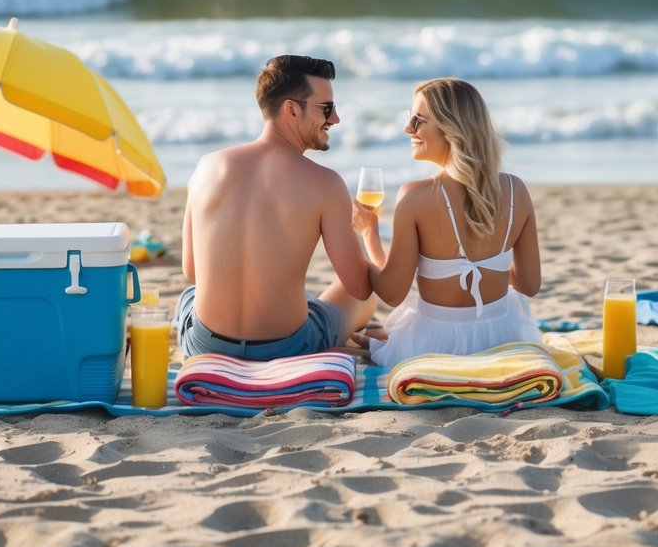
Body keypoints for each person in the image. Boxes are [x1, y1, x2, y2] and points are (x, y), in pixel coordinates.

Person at [176, 54, 377, 360]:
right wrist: (369, 231)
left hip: (206, 346)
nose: (335, 119)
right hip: (286, 347)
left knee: (189, 297)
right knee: (363, 298)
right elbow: (359, 287)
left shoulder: (206, 167)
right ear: (292, 109)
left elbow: (191, 271)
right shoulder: (325, 183)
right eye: (327, 108)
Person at [355, 78, 543, 367]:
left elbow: (392, 292)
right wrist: (487, 261)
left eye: (418, 120)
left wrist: (369, 232)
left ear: (451, 129)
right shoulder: (516, 190)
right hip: (504, 339)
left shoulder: (415, 196)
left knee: (377, 333)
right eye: (410, 119)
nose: (408, 128)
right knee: (387, 331)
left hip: (433, 347)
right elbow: (529, 285)